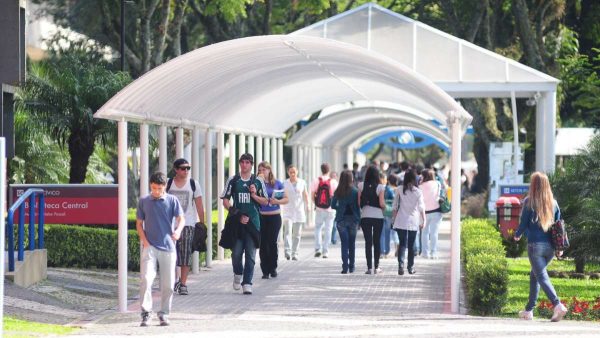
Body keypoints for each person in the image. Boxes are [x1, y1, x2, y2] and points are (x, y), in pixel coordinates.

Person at [514, 172, 568, 322]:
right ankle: (529, 310)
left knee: (541, 276)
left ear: (534, 185)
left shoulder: (529, 201)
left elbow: (524, 223)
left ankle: (557, 305)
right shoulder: (554, 203)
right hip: (550, 248)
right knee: (535, 275)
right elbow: (558, 226)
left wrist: (517, 235)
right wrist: (559, 247)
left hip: (535, 246)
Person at [136, 172, 185, 327]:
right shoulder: (144, 201)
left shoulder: (172, 200)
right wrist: (145, 242)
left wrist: (177, 231)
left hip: (168, 247)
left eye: (159, 188)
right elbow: (139, 223)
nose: (156, 191)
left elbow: (181, 219)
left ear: (164, 187)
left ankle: (164, 314)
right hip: (149, 247)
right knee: (146, 279)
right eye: (153, 188)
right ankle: (146, 313)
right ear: (150, 185)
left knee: (168, 284)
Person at [221, 153, 268, 295]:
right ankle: (237, 273)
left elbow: (265, 201)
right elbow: (225, 200)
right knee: (236, 253)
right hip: (238, 223)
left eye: (248, 162)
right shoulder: (234, 180)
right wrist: (236, 213)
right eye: (242, 162)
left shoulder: (258, 181)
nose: (244, 165)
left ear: (251, 165)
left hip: (253, 223)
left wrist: (254, 195)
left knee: (251, 255)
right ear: (239, 163)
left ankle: (247, 282)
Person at [168, 158, 205, 295]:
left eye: (188, 168)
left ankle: (183, 284)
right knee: (170, 255)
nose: (186, 171)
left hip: (188, 223)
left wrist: (202, 224)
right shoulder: (168, 184)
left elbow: (199, 205)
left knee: (185, 255)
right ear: (176, 170)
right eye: (183, 168)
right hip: (170, 225)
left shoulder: (193, 184)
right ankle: (174, 280)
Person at [257, 161, 288, 279]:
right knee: (263, 243)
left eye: (264, 169)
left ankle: (273, 268)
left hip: (274, 216)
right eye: (259, 170)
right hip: (261, 216)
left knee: (272, 242)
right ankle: (265, 270)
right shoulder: (257, 184)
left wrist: (277, 201)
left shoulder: (277, 183)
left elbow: (286, 199)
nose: (262, 172)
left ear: (269, 170)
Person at [392, 170, 425, 275]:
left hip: (401, 220)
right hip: (413, 221)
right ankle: (410, 268)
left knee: (402, 244)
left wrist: (393, 219)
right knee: (411, 245)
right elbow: (421, 207)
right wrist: (424, 220)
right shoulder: (418, 192)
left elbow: (395, 206)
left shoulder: (399, 189)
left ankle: (400, 266)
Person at [331, 170, 360, 274]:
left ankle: (345, 267)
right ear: (351, 179)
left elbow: (333, 205)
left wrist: (340, 207)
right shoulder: (356, 191)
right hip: (353, 220)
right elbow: (358, 206)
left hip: (341, 220)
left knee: (344, 243)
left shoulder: (338, 191)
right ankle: (352, 267)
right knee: (352, 244)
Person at [358, 165, 386, 274]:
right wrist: (385, 208)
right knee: (377, 241)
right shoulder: (380, 187)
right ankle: (377, 267)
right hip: (378, 216)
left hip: (365, 216)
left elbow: (359, 203)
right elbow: (381, 203)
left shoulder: (360, 185)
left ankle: (369, 268)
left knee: (368, 242)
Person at [281, 165, 309, 261]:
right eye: (290, 172)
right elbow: (281, 195)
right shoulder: (285, 183)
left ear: (297, 172)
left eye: (294, 172)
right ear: (288, 172)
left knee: (297, 234)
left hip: (299, 210)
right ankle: (287, 251)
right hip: (288, 210)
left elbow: (305, 195)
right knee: (287, 231)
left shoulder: (302, 182)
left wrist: (308, 205)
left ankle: (295, 253)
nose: (292, 174)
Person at [311, 163, 338, 258]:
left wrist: (316, 204)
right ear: (329, 170)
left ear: (321, 169)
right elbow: (336, 196)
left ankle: (318, 248)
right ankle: (325, 251)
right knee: (328, 230)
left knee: (318, 228)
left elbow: (312, 195)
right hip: (330, 209)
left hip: (319, 209)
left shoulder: (316, 180)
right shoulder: (334, 182)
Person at [420, 169, 443, 259]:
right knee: (434, 233)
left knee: (424, 233)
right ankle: (433, 253)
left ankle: (425, 253)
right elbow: (439, 194)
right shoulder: (437, 183)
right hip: (436, 211)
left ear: (424, 176)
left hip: (424, 212)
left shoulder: (420, 186)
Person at [380, 173, 396, 258]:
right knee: (387, 232)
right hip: (388, 212)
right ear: (382, 179)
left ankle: (382, 251)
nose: (386, 181)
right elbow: (394, 199)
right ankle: (386, 250)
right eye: (385, 179)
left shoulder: (377, 189)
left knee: (381, 233)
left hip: (380, 212)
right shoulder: (388, 189)